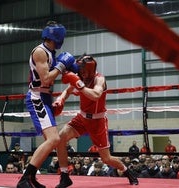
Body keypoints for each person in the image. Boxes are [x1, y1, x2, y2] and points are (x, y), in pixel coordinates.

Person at [53, 54, 139, 187]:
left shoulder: (100, 79)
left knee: (106, 158)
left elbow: (96, 95)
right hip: (81, 118)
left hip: (98, 122)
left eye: (84, 71)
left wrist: (79, 84)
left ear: (91, 70)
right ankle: (64, 176)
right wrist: (60, 99)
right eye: (81, 71)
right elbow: (68, 90)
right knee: (60, 139)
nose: (82, 74)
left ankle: (127, 171)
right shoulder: (80, 76)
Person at [16, 20, 77, 188]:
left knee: (53, 142)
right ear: (56, 36)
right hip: (37, 98)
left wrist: (75, 67)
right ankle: (25, 179)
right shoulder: (40, 52)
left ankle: (63, 176)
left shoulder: (51, 53)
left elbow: (63, 72)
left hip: (45, 98)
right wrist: (61, 66)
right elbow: (46, 78)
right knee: (54, 139)